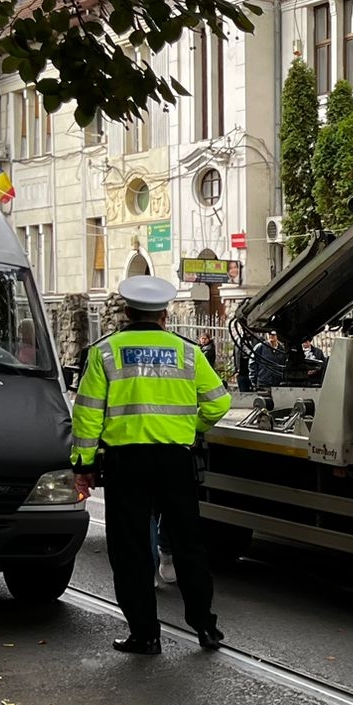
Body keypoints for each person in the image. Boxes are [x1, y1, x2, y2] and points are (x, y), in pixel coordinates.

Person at [71, 275, 233, 653]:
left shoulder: (106, 352)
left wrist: (83, 464)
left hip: (127, 461)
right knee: (188, 542)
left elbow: (88, 414)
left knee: (130, 548)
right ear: (165, 313)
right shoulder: (188, 352)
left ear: (127, 312)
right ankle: (206, 628)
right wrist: (188, 429)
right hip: (175, 458)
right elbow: (219, 402)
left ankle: (145, 633)